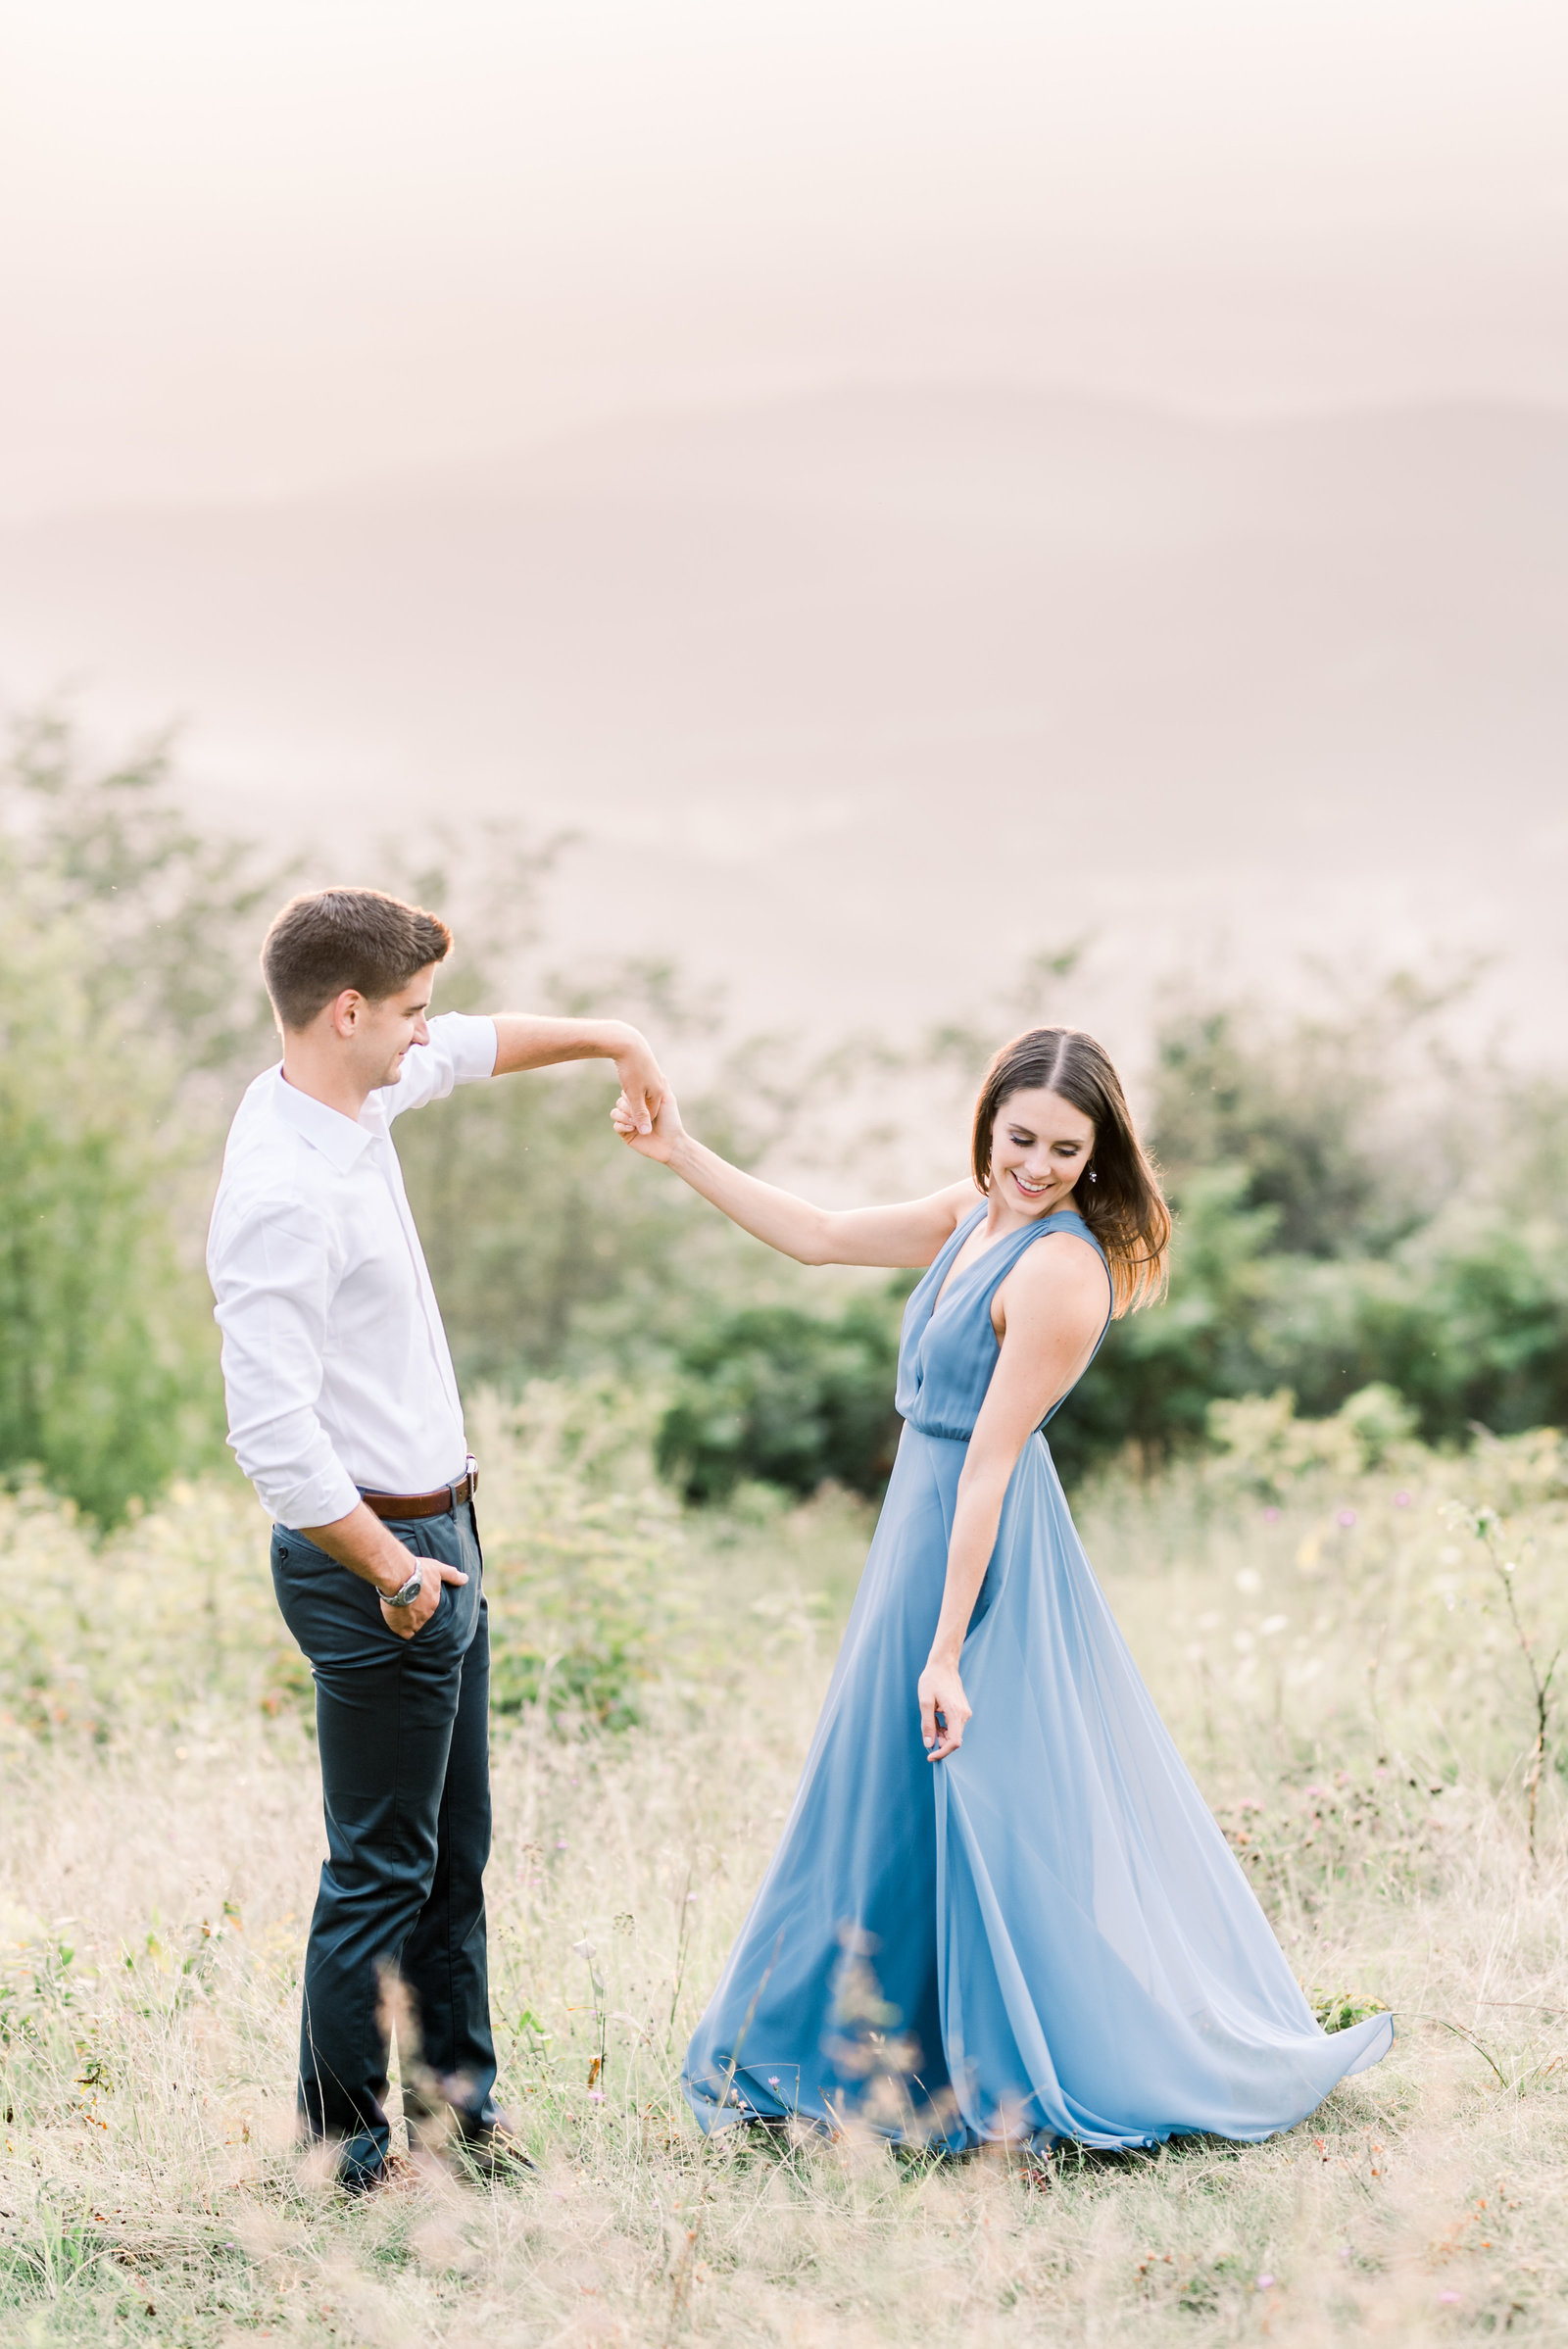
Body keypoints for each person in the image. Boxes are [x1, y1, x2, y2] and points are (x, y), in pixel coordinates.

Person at [612, 1025, 1392, 2151]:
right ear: (987, 1124)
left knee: (985, 1795)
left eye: (1063, 1151)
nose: (1033, 1166)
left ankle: (1008, 2061)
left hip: (973, 1546)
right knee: (879, 1789)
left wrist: (945, 1647)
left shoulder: (1063, 1271)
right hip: (912, 1530)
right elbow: (823, 1236)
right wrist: (681, 1151)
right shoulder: (974, 1214)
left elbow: (988, 1462)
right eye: (1018, 1137)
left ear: (1097, 1155)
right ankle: (858, 2052)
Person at [207, 886, 666, 2190]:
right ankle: (342, 2150)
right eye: (405, 1012)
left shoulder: (347, 1096)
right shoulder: (285, 1188)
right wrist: (396, 1570)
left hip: (439, 1532)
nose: (425, 1034)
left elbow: (471, 1043)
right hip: (380, 1563)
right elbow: (274, 1437)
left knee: (449, 1856)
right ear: (344, 1011)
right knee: (380, 1868)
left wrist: (618, 1038)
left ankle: (458, 2123)